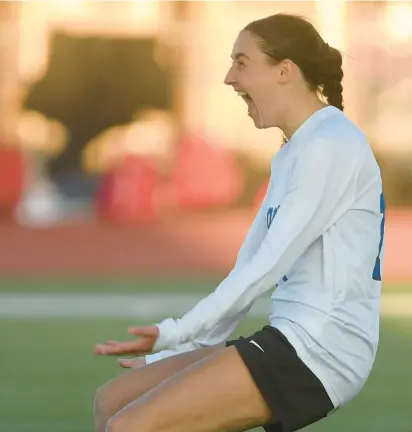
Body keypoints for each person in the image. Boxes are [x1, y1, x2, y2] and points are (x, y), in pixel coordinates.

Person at [93, 13, 385, 432]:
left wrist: (176, 334)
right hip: (291, 339)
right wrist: (179, 350)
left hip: (320, 350)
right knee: (112, 402)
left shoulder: (329, 144)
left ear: (284, 71)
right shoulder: (295, 150)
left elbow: (265, 268)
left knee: (132, 427)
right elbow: (248, 267)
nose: (230, 77)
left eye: (242, 63)